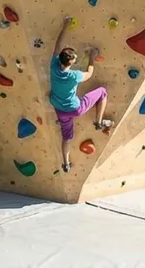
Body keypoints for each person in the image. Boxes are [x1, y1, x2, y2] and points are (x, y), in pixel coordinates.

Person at [49, 16, 113, 173]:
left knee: (67, 138)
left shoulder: (53, 66)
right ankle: (98, 122)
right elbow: (89, 74)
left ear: (60, 60)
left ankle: (66, 164)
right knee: (102, 92)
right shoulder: (74, 76)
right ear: (70, 63)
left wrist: (65, 26)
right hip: (75, 108)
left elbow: (57, 45)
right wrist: (91, 58)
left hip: (59, 109)